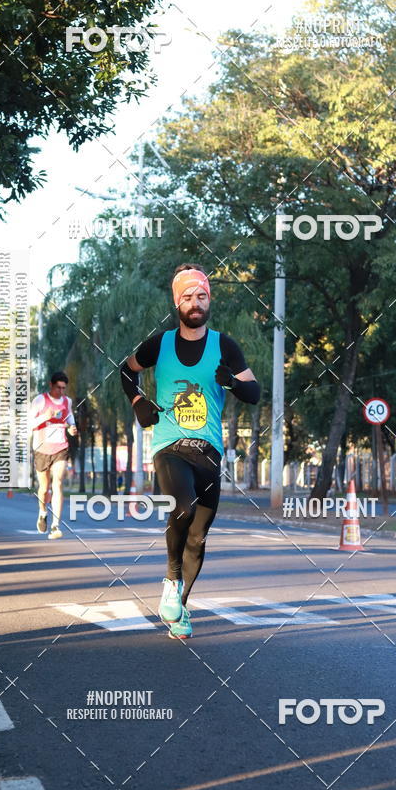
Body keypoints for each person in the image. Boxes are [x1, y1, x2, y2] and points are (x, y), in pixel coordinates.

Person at [120, 263, 260, 639]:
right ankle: (170, 580)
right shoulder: (159, 344)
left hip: (210, 452)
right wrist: (137, 401)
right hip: (170, 446)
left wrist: (231, 381)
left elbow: (254, 392)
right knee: (182, 506)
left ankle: (180, 607)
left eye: (201, 296)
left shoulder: (224, 346)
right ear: (176, 302)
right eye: (187, 297)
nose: (194, 303)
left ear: (208, 299)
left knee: (198, 536)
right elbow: (126, 369)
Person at [29, 371, 77, 539]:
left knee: (57, 483)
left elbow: (69, 417)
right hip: (42, 449)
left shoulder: (67, 401)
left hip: (60, 448)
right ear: (51, 385)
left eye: (64, 388)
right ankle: (42, 513)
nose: (61, 392)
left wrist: (72, 427)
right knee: (44, 488)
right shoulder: (40, 400)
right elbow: (29, 423)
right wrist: (45, 416)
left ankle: (56, 525)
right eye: (58, 388)